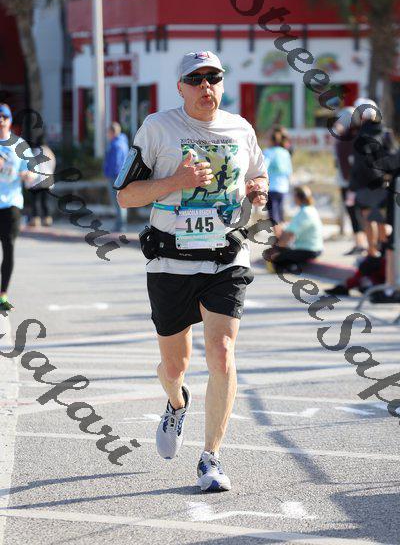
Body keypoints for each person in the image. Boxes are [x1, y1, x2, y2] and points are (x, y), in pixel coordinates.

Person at [117, 50, 268, 492]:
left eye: (213, 78)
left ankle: (211, 457)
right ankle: (176, 402)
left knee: (221, 353)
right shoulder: (158, 128)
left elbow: (260, 176)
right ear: (180, 87)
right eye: (196, 79)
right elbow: (125, 196)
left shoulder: (240, 128)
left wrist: (257, 192)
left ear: (222, 83)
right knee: (175, 365)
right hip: (170, 260)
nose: (206, 87)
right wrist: (177, 182)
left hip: (226, 257)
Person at [348, 98, 394, 258]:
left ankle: (373, 252)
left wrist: (353, 186)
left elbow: (361, 164)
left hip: (367, 184)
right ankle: (386, 253)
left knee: (369, 219)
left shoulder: (361, 136)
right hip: (385, 183)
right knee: (383, 219)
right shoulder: (386, 133)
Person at [0, 104, 33, 311]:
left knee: (8, 248)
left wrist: (27, 175)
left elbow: (32, 173)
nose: (0, 120)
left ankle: (2, 295)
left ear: (10, 121)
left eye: (4, 117)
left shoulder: (19, 145)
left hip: (11, 204)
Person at [263, 185, 323, 273]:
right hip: (314, 248)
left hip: (308, 250)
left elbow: (289, 235)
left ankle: (290, 267)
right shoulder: (311, 209)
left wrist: (276, 250)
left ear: (298, 197)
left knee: (275, 258)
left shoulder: (304, 212)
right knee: (282, 250)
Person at [332, 106, 367, 255]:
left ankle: (361, 244)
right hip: (354, 183)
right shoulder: (355, 136)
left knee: (354, 213)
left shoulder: (347, 138)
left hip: (349, 184)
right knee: (357, 213)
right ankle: (362, 243)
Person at [263, 126, 292, 238]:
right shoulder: (285, 152)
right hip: (283, 188)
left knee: (273, 218)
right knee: (280, 216)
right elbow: (289, 171)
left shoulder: (268, 152)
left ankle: (279, 241)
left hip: (271, 188)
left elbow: (263, 168)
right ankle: (282, 240)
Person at [104, 122, 129, 232]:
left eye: (108, 132)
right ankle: (121, 224)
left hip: (115, 177)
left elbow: (116, 163)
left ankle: (120, 225)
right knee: (121, 202)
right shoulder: (122, 142)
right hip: (119, 176)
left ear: (112, 132)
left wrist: (110, 174)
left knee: (118, 202)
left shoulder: (116, 145)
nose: (107, 135)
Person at [28, 136, 56, 226]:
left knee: (35, 201)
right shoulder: (49, 151)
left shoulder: (34, 151)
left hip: (36, 180)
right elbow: (53, 163)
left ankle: (35, 219)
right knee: (45, 201)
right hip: (47, 180)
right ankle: (47, 219)